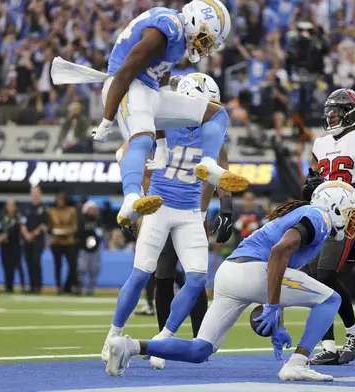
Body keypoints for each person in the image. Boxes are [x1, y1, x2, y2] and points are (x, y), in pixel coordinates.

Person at [106, 181, 355, 382]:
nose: (353, 221)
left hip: (230, 273)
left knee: (200, 350)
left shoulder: (306, 215)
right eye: (351, 213)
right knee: (332, 299)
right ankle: (298, 363)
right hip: (253, 271)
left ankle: (128, 346)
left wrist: (277, 320)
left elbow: (279, 268)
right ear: (335, 206)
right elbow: (278, 254)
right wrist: (273, 307)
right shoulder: (320, 218)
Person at [101, 72, 233, 370]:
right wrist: (137, 193)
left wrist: (226, 208)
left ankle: (164, 338)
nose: (205, 111)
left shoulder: (213, 130)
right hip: (160, 208)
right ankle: (113, 335)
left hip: (189, 214)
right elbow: (124, 152)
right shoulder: (162, 123)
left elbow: (221, 169)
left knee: (198, 279)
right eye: (201, 104)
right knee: (142, 275)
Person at [90, 0, 249, 229]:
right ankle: (131, 199)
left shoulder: (179, 39)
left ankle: (208, 164)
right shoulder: (168, 27)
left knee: (216, 114)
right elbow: (126, 69)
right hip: (124, 85)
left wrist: (163, 143)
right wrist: (107, 119)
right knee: (142, 139)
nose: (205, 48)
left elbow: (160, 82)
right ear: (195, 21)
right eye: (205, 39)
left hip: (148, 91)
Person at [303, 88, 355, 366]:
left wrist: (332, 187)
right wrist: (312, 186)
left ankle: (354, 332)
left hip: (348, 212)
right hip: (320, 212)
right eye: (330, 111)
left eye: (337, 110)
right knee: (314, 281)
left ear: (353, 112)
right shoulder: (321, 143)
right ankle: (327, 344)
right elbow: (308, 189)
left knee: (324, 274)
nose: (331, 115)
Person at [48, 192, 78, 294]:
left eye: (62, 199)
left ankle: (71, 286)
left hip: (69, 242)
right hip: (56, 242)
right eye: (58, 199)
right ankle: (58, 287)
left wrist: (66, 232)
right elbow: (49, 227)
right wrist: (53, 231)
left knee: (73, 265)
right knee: (57, 265)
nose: (60, 202)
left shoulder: (71, 211)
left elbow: (75, 227)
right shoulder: (51, 211)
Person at [0, 199, 26, 293]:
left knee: (18, 266)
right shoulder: (3, 217)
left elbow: (16, 230)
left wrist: (5, 236)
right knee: (6, 266)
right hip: (5, 246)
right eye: (8, 205)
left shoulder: (18, 217)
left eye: (12, 205)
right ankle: (8, 286)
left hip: (15, 245)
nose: (10, 207)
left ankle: (23, 286)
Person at [21, 186, 49, 293]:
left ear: (40, 193)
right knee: (28, 262)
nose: (35, 194)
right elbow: (22, 223)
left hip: (38, 240)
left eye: (36, 192)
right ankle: (32, 285)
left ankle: (38, 285)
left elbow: (43, 225)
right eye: (33, 192)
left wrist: (32, 234)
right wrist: (27, 235)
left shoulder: (44, 208)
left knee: (36, 261)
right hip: (27, 239)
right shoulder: (26, 207)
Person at [77, 200, 103, 296]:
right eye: (90, 209)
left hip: (95, 248)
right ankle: (81, 288)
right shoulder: (82, 220)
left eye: (93, 209)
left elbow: (100, 233)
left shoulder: (98, 220)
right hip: (84, 248)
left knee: (94, 269)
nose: (92, 211)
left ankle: (91, 289)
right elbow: (79, 233)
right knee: (82, 268)